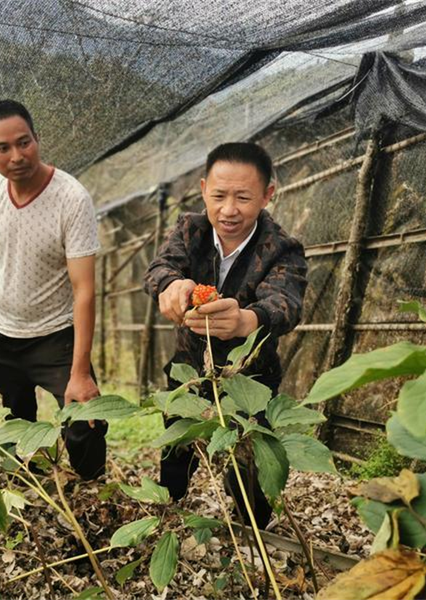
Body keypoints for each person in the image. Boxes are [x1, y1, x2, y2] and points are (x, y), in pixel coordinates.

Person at [143, 142, 307, 525]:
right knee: (176, 452)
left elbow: (286, 302)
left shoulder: (282, 248)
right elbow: (160, 267)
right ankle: (169, 516)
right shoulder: (190, 229)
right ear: (203, 190)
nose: (229, 209)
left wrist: (247, 320)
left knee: (251, 466)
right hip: (189, 369)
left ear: (268, 194)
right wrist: (170, 285)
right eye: (218, 196)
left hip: (251, 378)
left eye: (243, 197)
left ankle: (252, 531)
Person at [0, 99, 106, 480]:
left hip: (55, 336)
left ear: (37, 139)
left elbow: (84, 291)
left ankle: (92, 491)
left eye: (24, 142)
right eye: (3, 147)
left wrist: (80, 370)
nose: (16, 156)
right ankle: (27, 490)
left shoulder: (71, 199)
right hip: (2, 331)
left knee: (85, 420)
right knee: (16, 420)